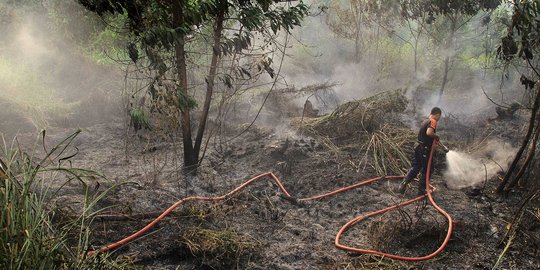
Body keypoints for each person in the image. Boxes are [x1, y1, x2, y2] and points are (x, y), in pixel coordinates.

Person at [397, 107, 442, 195]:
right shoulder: (433, 121)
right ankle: (421, 190)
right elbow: (429, 133)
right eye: (439, 117)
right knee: (428, 169)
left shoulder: (425, 121)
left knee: (416, 167)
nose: (439, 119)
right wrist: (436, 136)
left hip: (418, 147)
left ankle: (403, 185)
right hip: (424, 149)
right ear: (437, 114)